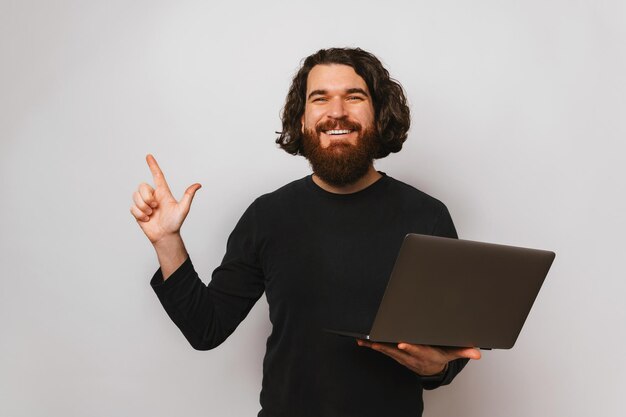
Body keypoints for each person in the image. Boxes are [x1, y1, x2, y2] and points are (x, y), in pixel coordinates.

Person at [130, 47, 481, 417]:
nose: (337, 112)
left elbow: (452, 349)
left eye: (354, 96)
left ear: (378, 114)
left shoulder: (427, 216)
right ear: (301, 120)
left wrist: (438, 369)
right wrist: (166, 240)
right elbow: (207, 328)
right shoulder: (267, 216)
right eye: (320, 98)